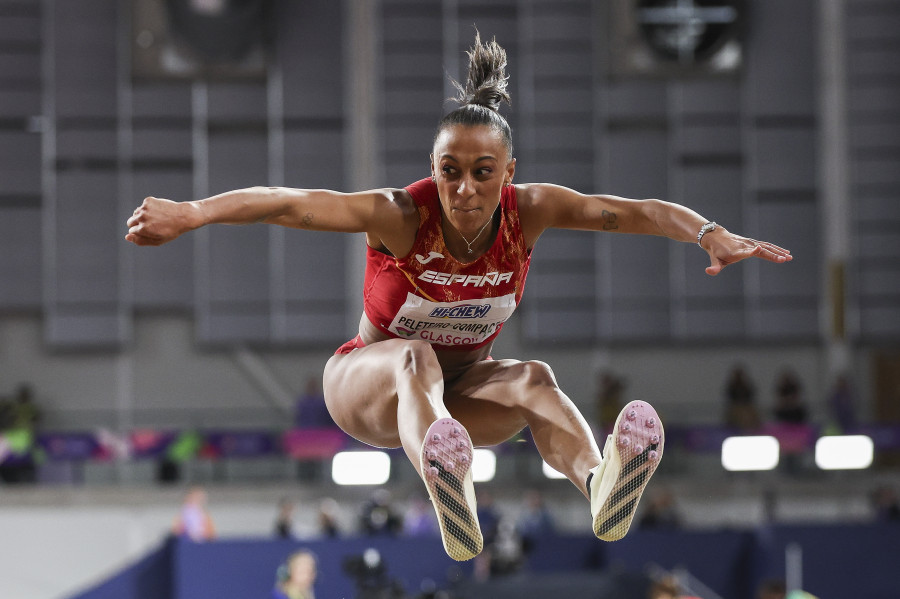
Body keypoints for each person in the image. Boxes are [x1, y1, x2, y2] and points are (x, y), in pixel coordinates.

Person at [125, 33, 792, 561]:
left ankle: (601, 483)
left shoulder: (528, 212)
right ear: (434, 167)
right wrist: (192, 212)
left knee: (535, 378)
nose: (464, 189)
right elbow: (293, 202)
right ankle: (451, 487)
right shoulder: (399, 215)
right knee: (414, 356)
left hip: (462, 389)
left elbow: (637, 210)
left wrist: (706, 231)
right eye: (450, 171)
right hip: (368, 381)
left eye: (482, 173)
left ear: (509, 172)